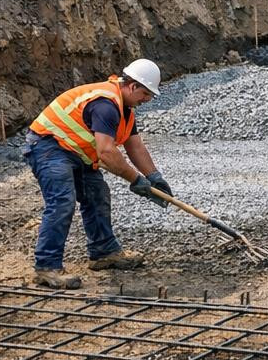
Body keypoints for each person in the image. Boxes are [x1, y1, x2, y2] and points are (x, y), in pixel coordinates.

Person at [24, 59, 173, 288]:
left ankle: (104, 252)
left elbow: (135, 147)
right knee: (62, 201)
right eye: (145, 93)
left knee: (97, 193)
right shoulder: (106, 104)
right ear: (132, 86)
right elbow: (106, 151)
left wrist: (154, 176)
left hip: (76, 152)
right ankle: (47, 267)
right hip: (49, 145)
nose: (148, 99)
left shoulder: (125, 110)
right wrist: (135, 180)